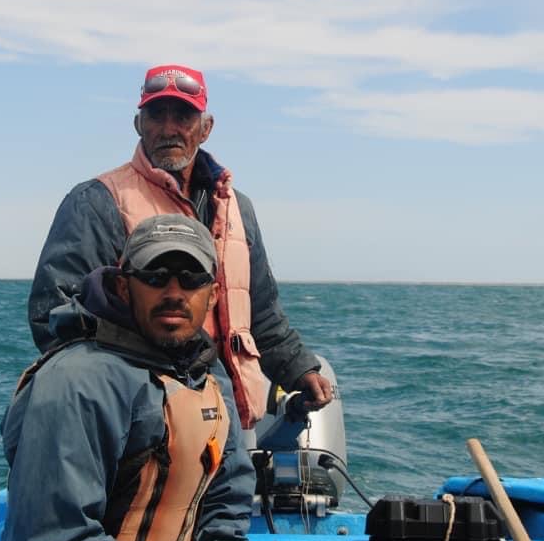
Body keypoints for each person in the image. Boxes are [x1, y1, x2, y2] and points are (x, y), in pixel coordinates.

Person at [27, 64, 333, 428]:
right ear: (138, 124)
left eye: (184, 115)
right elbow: (55, 316)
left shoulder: (238, 208)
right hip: (141, 421)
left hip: (229, 418)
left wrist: (298, 367)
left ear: (206, 128)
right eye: (157, 114)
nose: (169, 128)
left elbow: (261, 314)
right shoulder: (95, 201)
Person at [2, 214, 255, 541]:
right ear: (123, 287)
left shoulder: (209, 376)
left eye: (191, 278)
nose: (174, 293)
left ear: (212, 296)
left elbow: (229, 500)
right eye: (155, 276)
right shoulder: (76, 383)